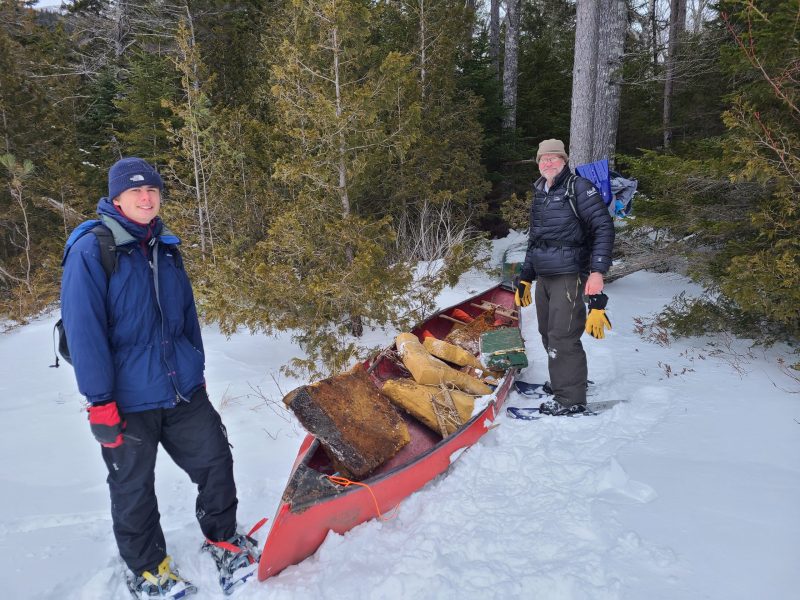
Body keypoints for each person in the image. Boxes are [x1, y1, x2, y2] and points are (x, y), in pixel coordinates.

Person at [60, 157, 259, 599]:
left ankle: (224, 539)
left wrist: (197, 371)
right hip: (126, 399)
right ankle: (149, 570)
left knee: (215, 464)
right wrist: (100, 401)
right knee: (133, 488)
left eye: (151, 190)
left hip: (181, 388)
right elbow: (84, 330)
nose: (146, 197)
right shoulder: (93, 249)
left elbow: (186, 316)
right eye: (135, 191)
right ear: (116, 198)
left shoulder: (165, 246)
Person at [514, 139, 614, 415]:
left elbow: (604, 228)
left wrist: (597, 272)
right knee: (546, 332)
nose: (548, 163)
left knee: (563, 336)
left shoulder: (579, 188)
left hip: (569, 275)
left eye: (553, 158)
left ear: (564, 161)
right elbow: (536, 240)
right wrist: (525, 277)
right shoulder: (541, 192)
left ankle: (570, 399)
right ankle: (564, 380)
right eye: (543, 159)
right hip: (545, 275)